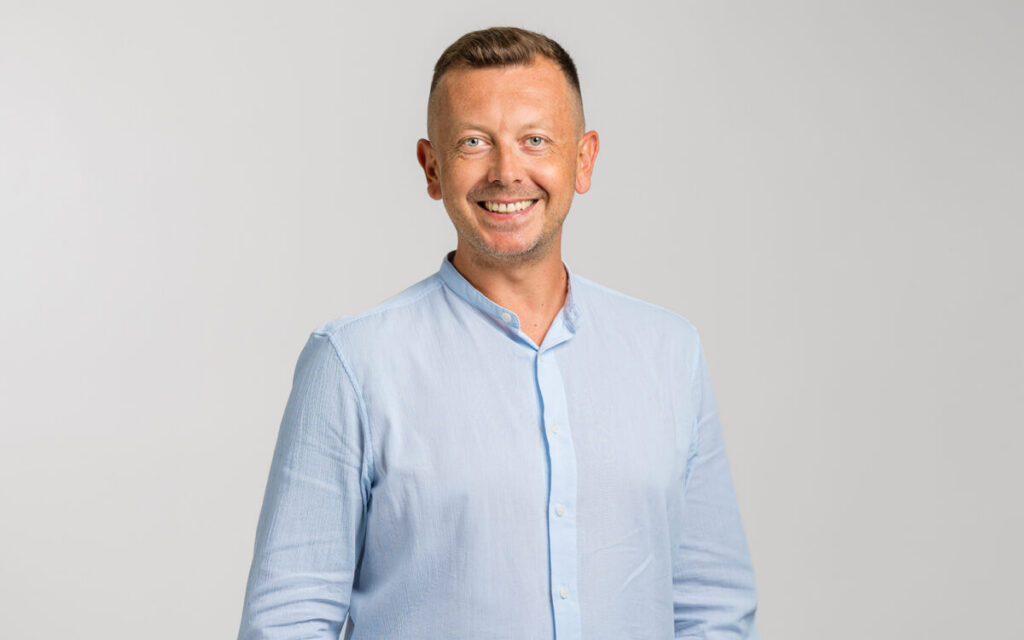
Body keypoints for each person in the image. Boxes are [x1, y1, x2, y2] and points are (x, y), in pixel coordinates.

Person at [238, 26, 758, 640]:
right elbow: (288, 622)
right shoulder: (353, 363)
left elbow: (713, 609)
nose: (507, 172)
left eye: (535, 140)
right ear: (432, 168)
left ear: (583, 160)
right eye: (474, 142)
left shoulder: (669, 353)